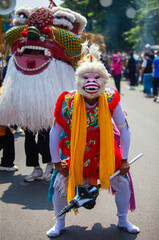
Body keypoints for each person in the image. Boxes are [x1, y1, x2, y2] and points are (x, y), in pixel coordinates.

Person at [47, 44, 140, 238]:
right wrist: (56, 161)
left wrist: (124, 159)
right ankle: (60, 223)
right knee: (60, 184)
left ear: (104, 80)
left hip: (103, 150)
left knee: (123, 183)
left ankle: (123, 220)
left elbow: (124, 130)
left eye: (96, 78)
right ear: (78, 80)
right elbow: (55, 132)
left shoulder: (110, 98)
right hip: (74, 151)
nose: (91, 82)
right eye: (86, 77)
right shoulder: (67, 101)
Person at [0, 5, 87, 181]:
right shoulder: (20, 53)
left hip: (50, 104)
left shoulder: (61, 57)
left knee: (47, 136)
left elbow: (76, 48)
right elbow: (11, 39)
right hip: (28, 104)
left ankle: (50, 166)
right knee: (30, 139)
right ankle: (36, 168)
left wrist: (49, 29)